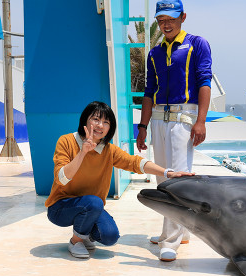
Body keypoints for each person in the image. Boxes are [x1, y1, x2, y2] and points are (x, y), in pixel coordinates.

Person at [45, 101, 194, 259]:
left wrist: (167, 172)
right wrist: (83, 153)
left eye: (106, 122)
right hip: (61, 208)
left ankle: (84, 235)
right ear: (85, 121)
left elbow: (136, 163)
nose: (100, 125)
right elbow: (62, 178)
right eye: (96, 119)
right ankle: (76, 241)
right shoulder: (66, 141)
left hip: (90, 206)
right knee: (94, 202)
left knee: (110, 236)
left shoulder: (108, 150)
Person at [136, 0, 212, 262]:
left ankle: (171, 241)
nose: (165, 24)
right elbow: (149, 92)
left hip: (183, 118)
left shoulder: (197, 44)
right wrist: (142, 126)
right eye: (161, 19)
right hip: (158, 119)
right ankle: (179, 230)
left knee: (178, 178)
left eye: (170, 18)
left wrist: (201, 121)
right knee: (162, 177)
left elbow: (204, 82)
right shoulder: (154, 52)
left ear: (182, 17)